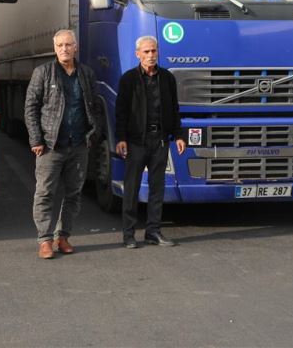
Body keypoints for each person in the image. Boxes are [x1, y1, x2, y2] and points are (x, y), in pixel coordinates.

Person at [24, 29, 103, 259]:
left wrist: (93, 134)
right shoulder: (43, 73)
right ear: (54, 48)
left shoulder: (86, 73)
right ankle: (45, 240)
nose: (64, 49)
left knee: (74, 194)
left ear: (75, 47)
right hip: (50, 145)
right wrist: (36, 139)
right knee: (45, 193)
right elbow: (31, 107)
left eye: (68, 45)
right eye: (60, 45)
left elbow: (95, 106)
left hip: (79, 145)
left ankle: (63, 236)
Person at [115, 36, 186, 248]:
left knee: (157, 189)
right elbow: (121, 112)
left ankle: (153, 232)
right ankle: (128, 235)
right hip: (137, 142)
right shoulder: (128, 79)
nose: (151, 55)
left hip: (160, 142)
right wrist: (121, 139)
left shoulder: (167, 78)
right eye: (146, 52)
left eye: (154, 51)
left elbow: (174, 109)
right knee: (131, 189)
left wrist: (179, 135)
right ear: (138, 54)